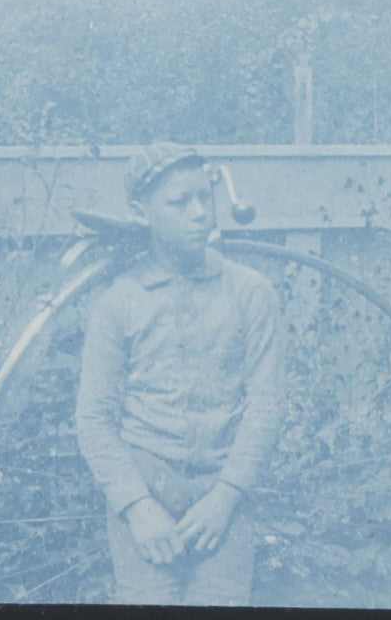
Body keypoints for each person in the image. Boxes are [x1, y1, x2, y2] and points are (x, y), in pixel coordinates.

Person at [75, 142, 283, 605]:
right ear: (141, 211)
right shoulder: (119, 301)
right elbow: (93, 419)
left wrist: (226, 497)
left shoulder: (250, 293)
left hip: (223, 492)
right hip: (145, 486)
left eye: (204, 197)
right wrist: (137, 507)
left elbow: (265, 407)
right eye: (179, 202)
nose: (199, 214)